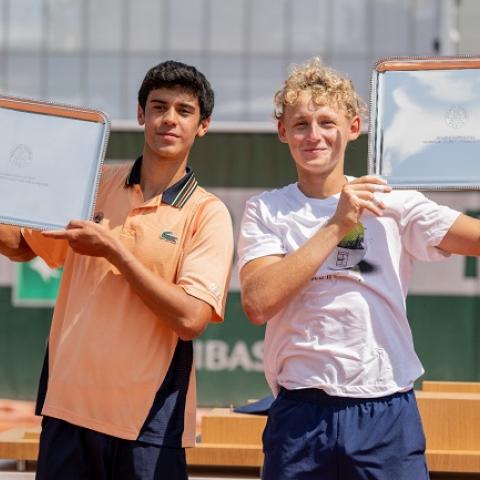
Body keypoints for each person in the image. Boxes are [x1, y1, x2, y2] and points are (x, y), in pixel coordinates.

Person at [237, 57, 480, 480]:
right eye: (301, 124)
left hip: (386, 411)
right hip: (301, 414)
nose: (314, 135)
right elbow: (258, 303)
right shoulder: (266, 209)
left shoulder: (393, 201)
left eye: (327, 122)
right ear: (283, 133)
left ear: (353, 127)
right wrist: (337, 224)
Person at [0, 60, 234, 479]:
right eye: (159, 107)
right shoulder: (94, 183)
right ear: (141, 113)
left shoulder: (208, 213)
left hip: (148, 424)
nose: (169, 119)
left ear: (203, 125)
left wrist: (116, 252)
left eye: (184, 111)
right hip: (67, 408)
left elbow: (191, 318)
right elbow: (21, 246)